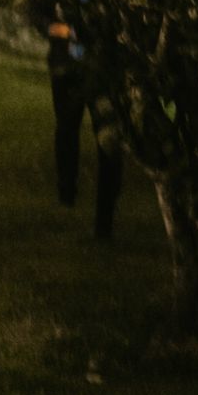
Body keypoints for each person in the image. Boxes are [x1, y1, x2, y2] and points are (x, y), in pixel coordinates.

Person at [46, 21, 124, 239]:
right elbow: (42, 14)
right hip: (68, 67)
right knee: (67, 127)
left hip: (105, 69)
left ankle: (104, 220)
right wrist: (63, 32)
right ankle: (67, 191)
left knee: (109, 140)